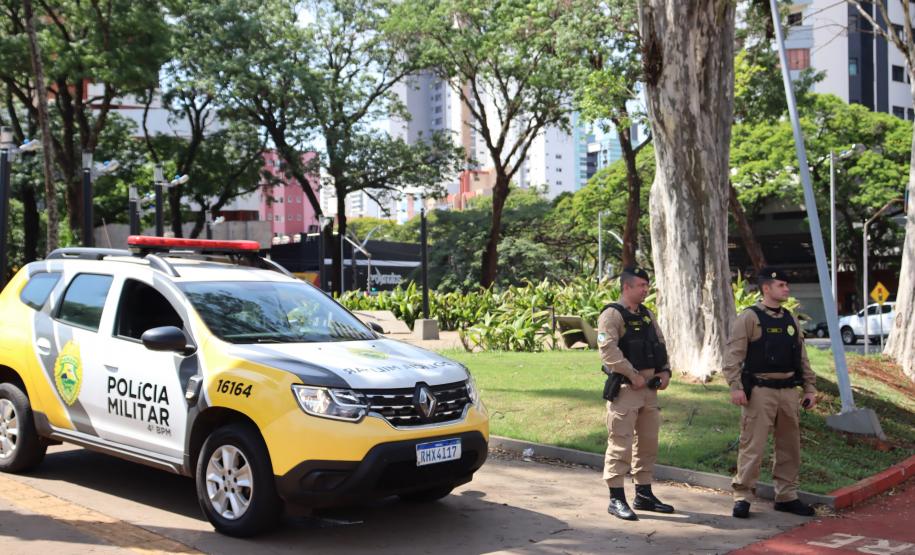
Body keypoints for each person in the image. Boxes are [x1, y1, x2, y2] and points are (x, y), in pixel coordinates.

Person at [724, 267, 818, 519]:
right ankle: (743, 496)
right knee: (752, 445)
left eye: (787, 285)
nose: (787, 289)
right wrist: (736, 387)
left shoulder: (790, 319)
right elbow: (733, 356)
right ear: (767, 288)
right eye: (782, 285)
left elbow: (802, 357)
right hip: (760, 391)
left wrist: (809, 388)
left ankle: (786, 496)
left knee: (790, 446)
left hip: (788, 391)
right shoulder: (749, 318)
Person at [597, 266, 674, 521]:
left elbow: (659, 343)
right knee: (621, 443)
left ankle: (644, 494)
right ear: (626, 287)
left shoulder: (647, 315)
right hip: (626, 390)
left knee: (648, 443)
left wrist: (665, 372)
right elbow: (608, 351)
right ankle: (616, 499)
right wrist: (633, 375)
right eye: (640, 285)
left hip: (649, 391)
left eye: (646, 285)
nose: (645, 290)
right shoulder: (611, 315)